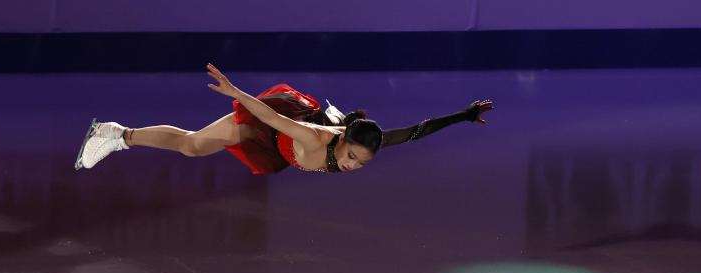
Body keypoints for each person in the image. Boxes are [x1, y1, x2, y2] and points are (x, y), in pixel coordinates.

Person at [75, 63, 493, 175]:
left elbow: (418, 131)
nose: (352, 165)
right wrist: (236, 93)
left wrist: (464, 115)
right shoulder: (313, 137)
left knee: (195, 150)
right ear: (341, 139)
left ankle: (119, 134)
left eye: (361, 164)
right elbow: (268, 115)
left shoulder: (370, 141)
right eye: (351, 157)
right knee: (192, 146)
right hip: (274, 121)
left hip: (284, 144)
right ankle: (116, 133)